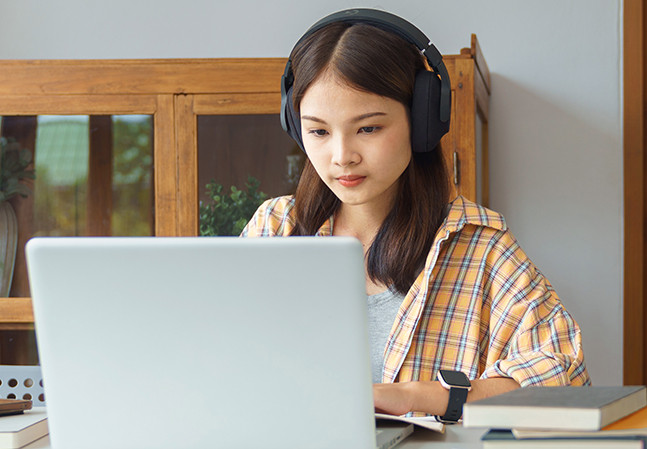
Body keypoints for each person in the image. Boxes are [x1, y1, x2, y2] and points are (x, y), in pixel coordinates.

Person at [242, 9, 590, 419]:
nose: (342, 157)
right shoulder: (274, 227)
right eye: (318, 131)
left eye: (368, 128)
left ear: (422, 121)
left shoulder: (479, 246)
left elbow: (567, 375)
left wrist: (423, 397)